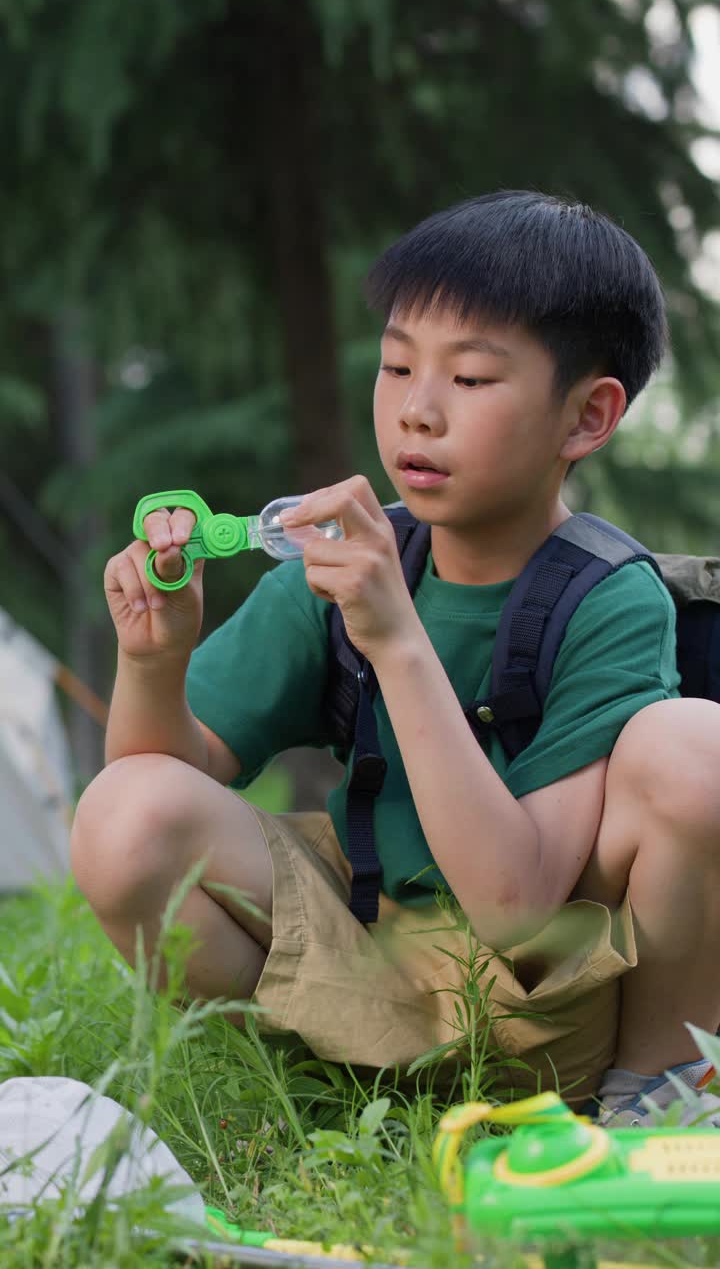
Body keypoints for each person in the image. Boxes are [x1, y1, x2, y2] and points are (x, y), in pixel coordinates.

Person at [71, 191, 720, 1126]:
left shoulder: (609, 598)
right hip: (362, 961)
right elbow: (160, 783)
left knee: (693, 747)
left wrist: (396, 639)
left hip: (552, 1004)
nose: (417, 411)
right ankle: (311, 1097)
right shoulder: (340, 567)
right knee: (125, 811)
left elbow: (516, 906)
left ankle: (655, 1098)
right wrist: (154, 660)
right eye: (397, 365)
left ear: (587, 417)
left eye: (471, 379)